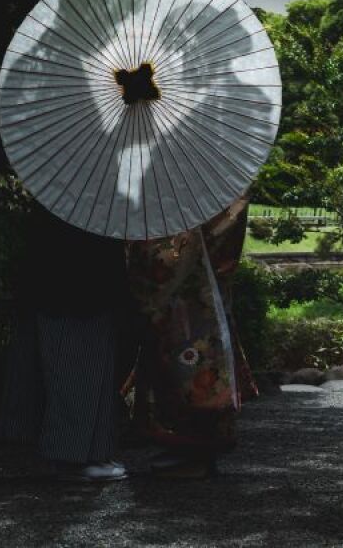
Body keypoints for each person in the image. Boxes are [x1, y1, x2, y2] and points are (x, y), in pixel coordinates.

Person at [123, 194, 257, 479]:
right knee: (189, 360)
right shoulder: (210, 182)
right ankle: (190, 446)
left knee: (191, 363)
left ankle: (195, 448)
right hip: (198, 286)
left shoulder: (187, 181)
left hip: (192, 289)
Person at [0, 203, 132, 481]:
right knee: (78, 365)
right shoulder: (92, 188)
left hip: (61, 273)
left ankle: (80, 452)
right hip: (80, 278)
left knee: (73, 363)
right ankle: (72, 456)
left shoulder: (61, 183)